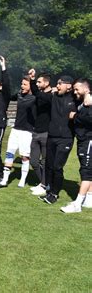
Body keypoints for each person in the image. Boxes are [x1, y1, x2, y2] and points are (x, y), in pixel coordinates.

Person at [32, 76, 77, 204]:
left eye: (60, 84)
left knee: (58, 167)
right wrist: (32, 79)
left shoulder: (75, 99)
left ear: (69, 86)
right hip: (51, 137)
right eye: (57, 83)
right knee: (49, 165)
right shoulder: (53, 96)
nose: (57, 86)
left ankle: (55, 194)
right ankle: (49, 189)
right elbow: (37, 93)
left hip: (66, 139)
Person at [0, 72, 36, 188]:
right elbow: (7, 94)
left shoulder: (35, 98)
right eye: (21, 84)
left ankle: (22, 180)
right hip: (15, 130)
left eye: (25, 84)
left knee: (24, 156)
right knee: (9, 153)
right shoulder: (19, 95)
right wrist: (4, 70)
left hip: (27, 132)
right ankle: (5, 179)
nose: (22, 86)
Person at [60, 78, 92, 213]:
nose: (75, 91)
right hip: (83, 139)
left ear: (86, 89)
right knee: (88, 170)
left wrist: (75, 116)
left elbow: (89, 119)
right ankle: (89, 199)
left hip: (88, 140)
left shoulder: (89, 103)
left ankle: (77, 204)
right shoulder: (83, 102)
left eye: (77, 89)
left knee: (86, 171)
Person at [29, 73, 52, 195]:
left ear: (46, 83)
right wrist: (32, 79)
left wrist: (32, 82)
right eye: (36, 82)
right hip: (36, 132)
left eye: (39, 82)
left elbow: (37, 93)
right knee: (33, 161)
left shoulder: (52, 96)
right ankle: (44, 182)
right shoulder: (39, 95)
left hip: (46, 133)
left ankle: (44, 185)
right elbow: (36, 92)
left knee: (44, 161)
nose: (37, 84)